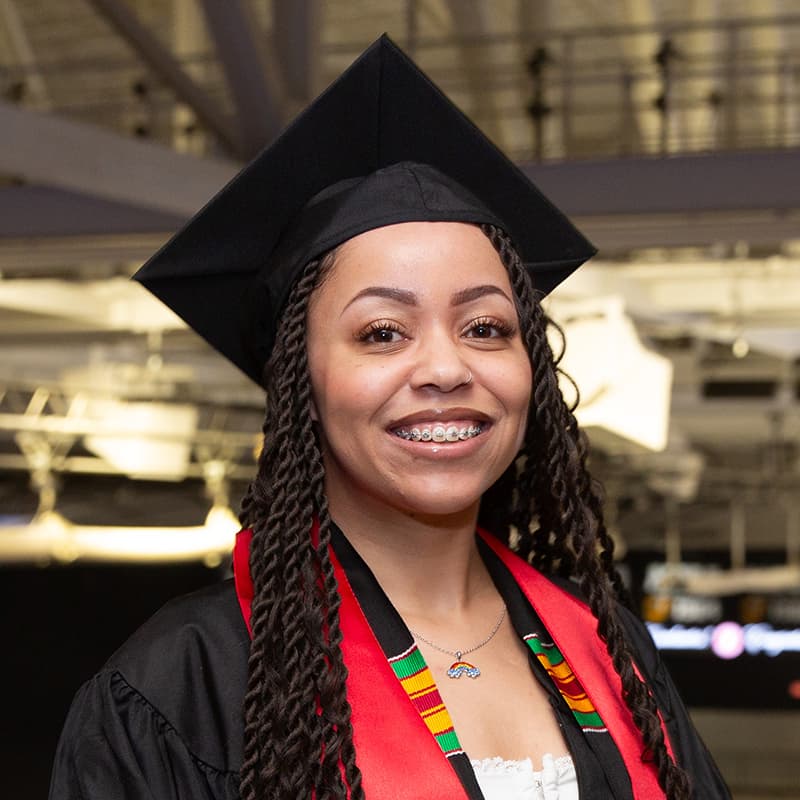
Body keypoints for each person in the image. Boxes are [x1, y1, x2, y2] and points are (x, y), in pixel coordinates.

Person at [49, 35, 730, 800]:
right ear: (300, 381)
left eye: (486, 328)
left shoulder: (610, 653)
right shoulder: (192, 681)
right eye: (382, 333)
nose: (446, 368)